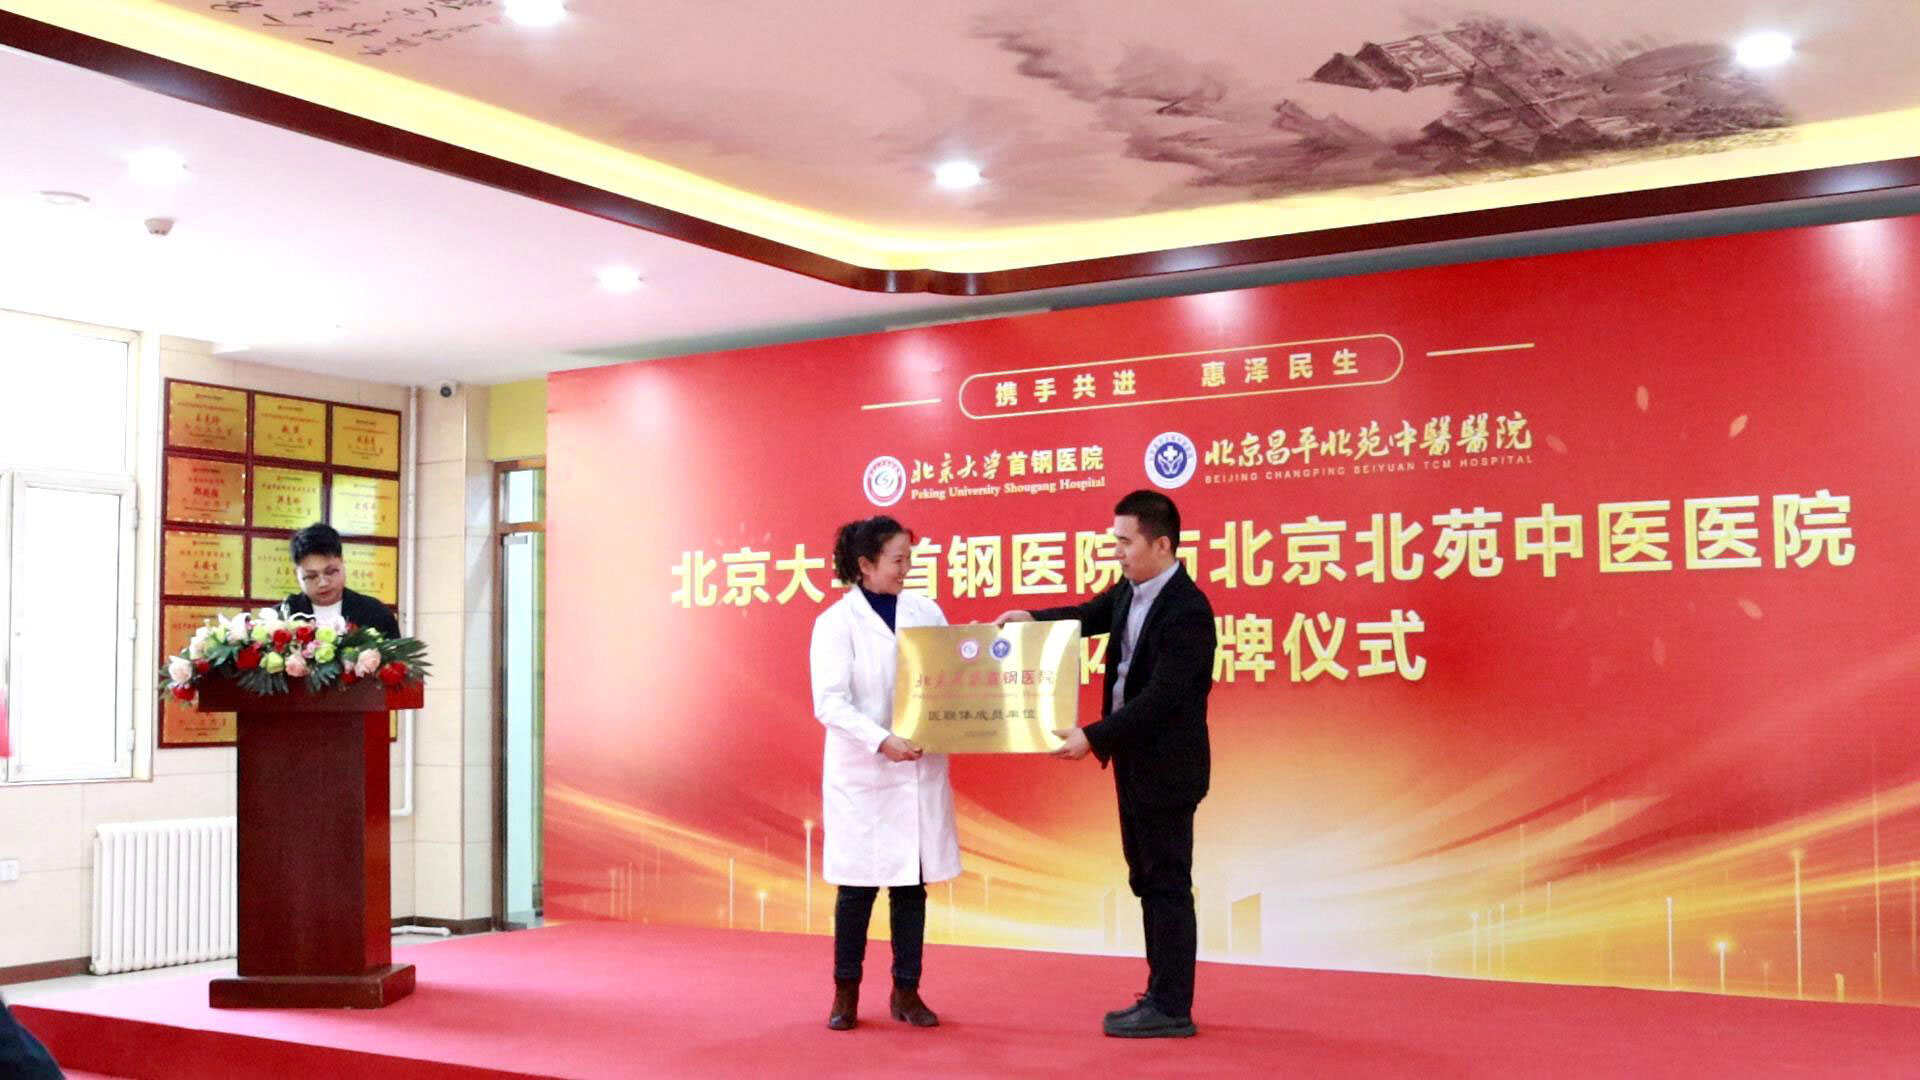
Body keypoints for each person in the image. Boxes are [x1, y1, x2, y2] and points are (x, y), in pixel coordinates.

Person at [995, 490, 1215, 1038]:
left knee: (1166, 883)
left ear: (1161, 545)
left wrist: (1092, 737)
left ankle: (1172, 1006)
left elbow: (1161, 698)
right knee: (1145, 878)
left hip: (1167, 768)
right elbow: (1088, 615)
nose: (1115, 551)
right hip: (1134, 761)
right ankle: (1161, 992)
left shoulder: (1187, 610)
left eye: (1125, 541)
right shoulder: (1130, 590)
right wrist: (1032, 619)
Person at [810, 515, 961, 1031]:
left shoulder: (926, 612)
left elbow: (951, 678)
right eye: (898, 560)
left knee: (910, 889)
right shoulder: (836, 623)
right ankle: (845, 992)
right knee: (856, 890)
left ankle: (907, 991)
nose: (906, 568)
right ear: (865, 564)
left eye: (908, 559)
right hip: (865, 775)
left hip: (916, 769)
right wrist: (881, 740)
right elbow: (830, 702)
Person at [282, 522, 400, 637]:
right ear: (296, 574)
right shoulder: (282, 618)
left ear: (342, 562)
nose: (323, 583)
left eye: (330, 572)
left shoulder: (375, 613)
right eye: (312, 576)